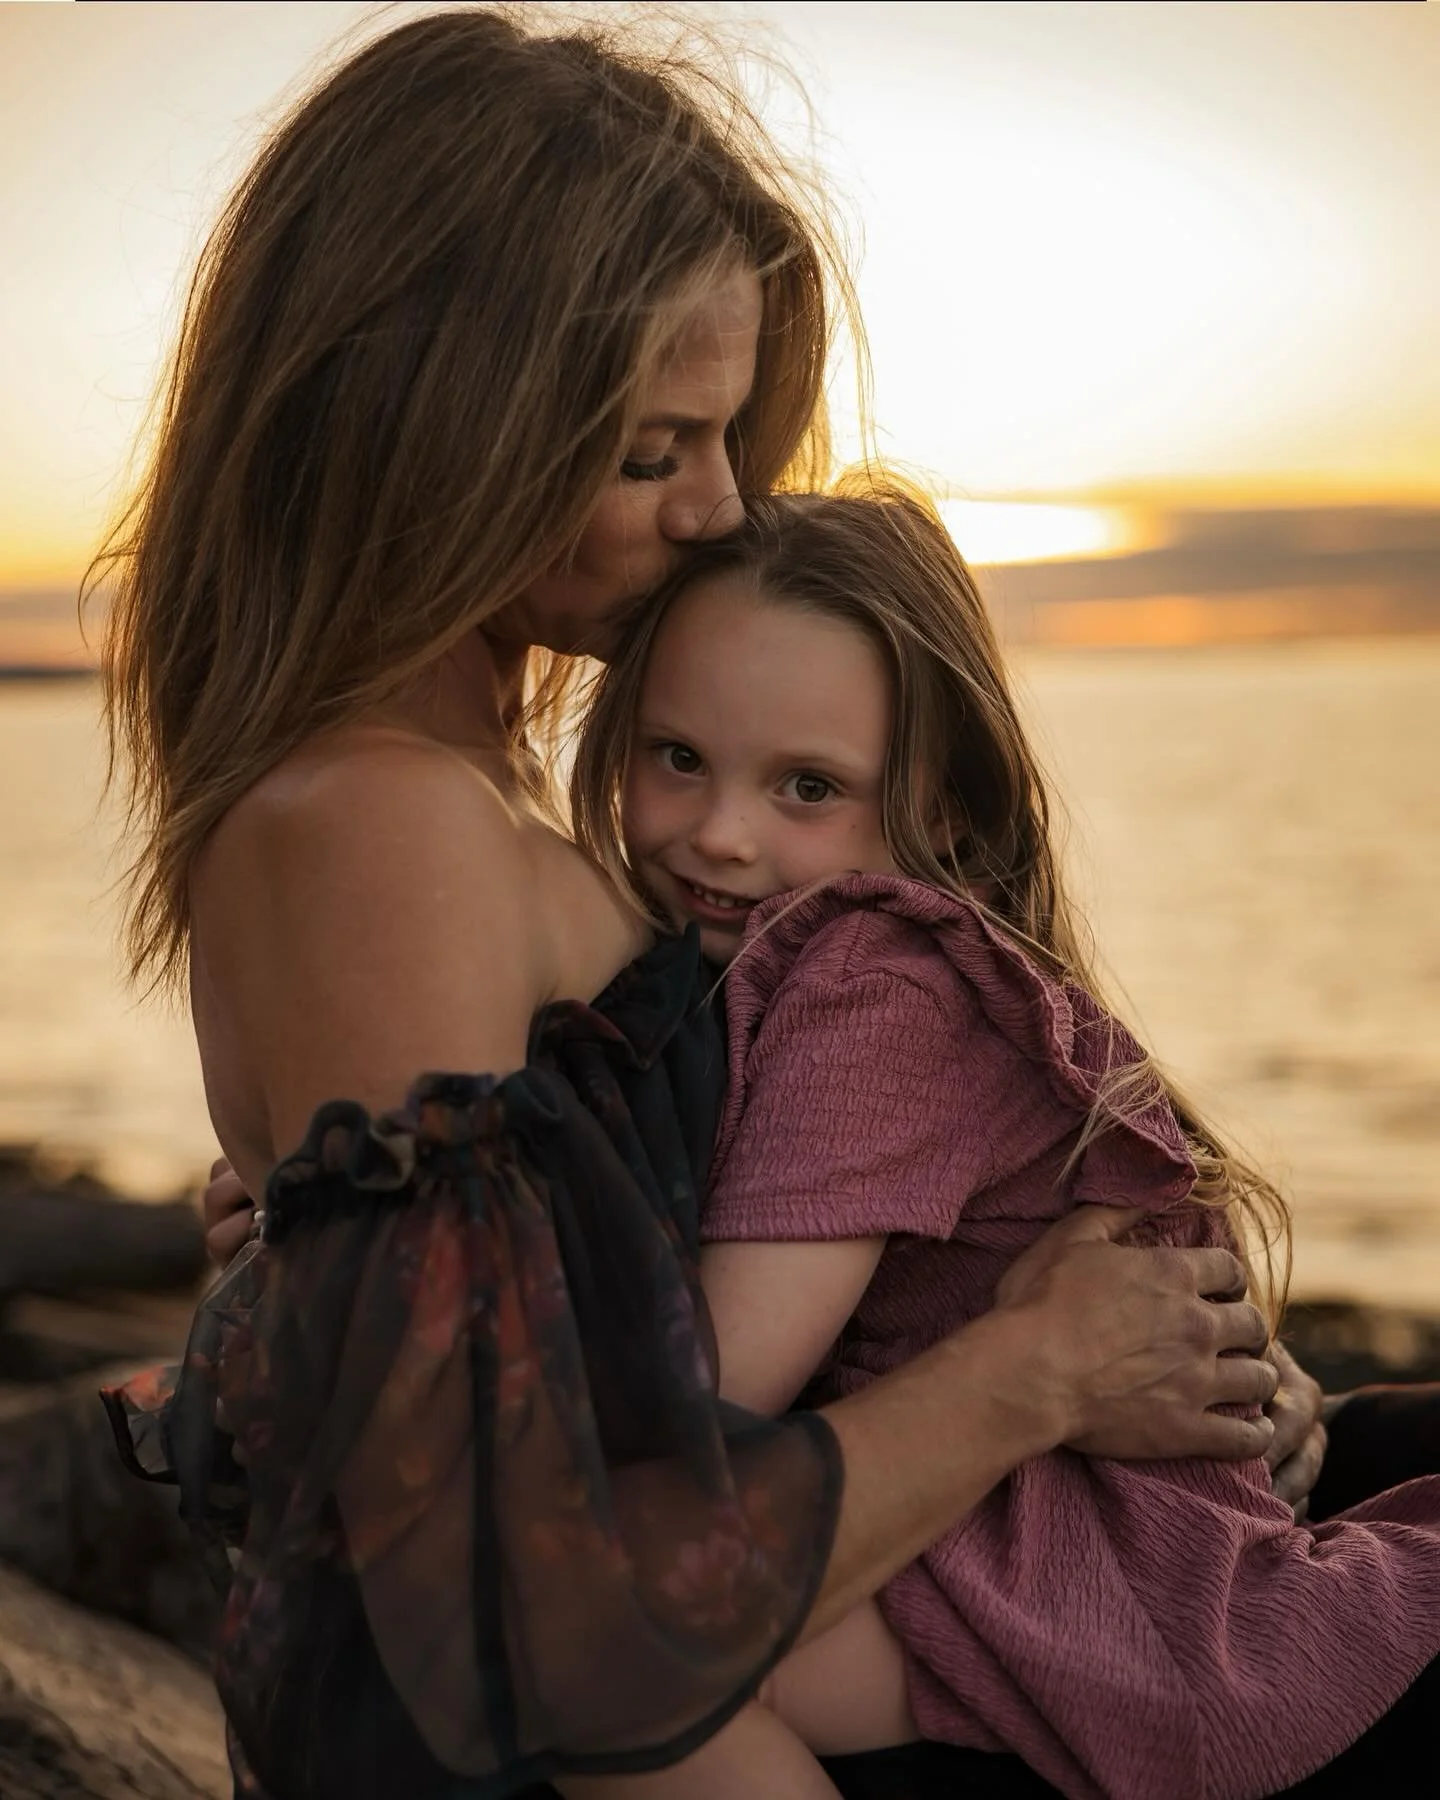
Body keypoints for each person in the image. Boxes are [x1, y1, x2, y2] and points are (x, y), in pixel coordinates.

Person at [93, 10, 1295, 1798]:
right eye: (657, 448)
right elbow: (532, 1606)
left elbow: (547, 1376)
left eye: (725, 436)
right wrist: (1036, 1379)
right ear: (442, 426)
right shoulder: (381, 828)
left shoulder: (439, 803)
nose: (723, 505)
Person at [566, 484, 1440, 1798]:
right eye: (675, 755)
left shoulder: (871, 966)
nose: (722, 833)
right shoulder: (730, 965)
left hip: (1090, 1599)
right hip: (1022, 1557)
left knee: (591, 1663)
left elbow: (702, 1400)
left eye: (809, 785)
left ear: (949, 813)